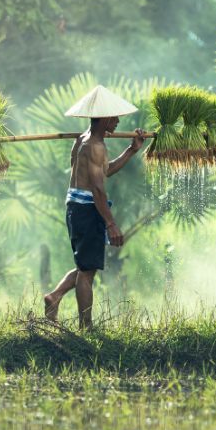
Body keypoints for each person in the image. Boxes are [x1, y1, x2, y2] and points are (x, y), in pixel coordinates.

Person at [43, 85, 145, 328]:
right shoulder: (96, 146)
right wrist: (111, 224)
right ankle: (86, 327)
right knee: (87, 273)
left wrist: (132, 150)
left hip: (75, 206)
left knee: (85, 265)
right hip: (87, 209)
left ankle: (54, 297)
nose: (119, 121)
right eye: (115, 117)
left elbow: (104, 171)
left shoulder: (82, 140)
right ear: (105, 118)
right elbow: (98, 188)